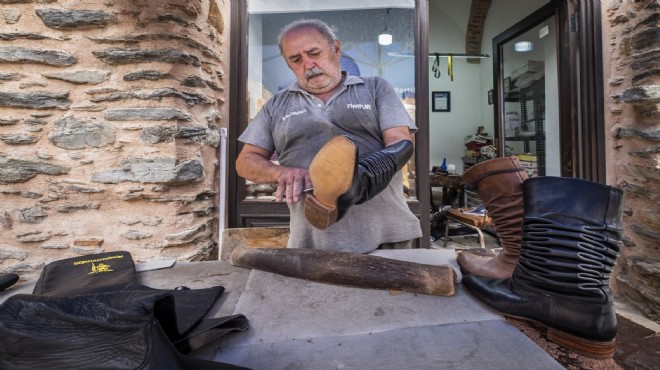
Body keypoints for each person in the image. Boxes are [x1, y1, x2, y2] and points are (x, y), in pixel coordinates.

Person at [236, 18, 422, 253]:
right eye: (296, 59)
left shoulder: (375, 88)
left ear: (335, 49)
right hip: (311, 240)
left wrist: (359, 177)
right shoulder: (276, 105)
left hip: (387, 235)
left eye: (314, 53)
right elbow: (245, 161)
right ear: (288, 64)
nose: (308, 64)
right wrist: (282, 172)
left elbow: (401, 142)